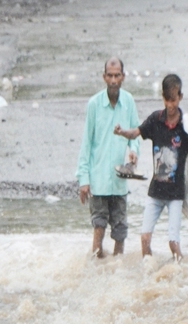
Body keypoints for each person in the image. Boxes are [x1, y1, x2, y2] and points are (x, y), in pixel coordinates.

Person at [114, 73, 188, 262]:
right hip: (156, 192)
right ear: (163, 98)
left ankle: (180, 272)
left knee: (173, 243)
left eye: (174, 100)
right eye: (167, 100)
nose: (171, 105)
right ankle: (149, 273)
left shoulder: (184, 126)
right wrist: (122, 133)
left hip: (176, 194)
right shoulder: (156, 120)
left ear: (180, 97)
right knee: (144, 239)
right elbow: (136, 132)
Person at [76, 57, 140, 258]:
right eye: (110, 76)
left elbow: (135, 134)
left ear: (123, 77)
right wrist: (84, 180)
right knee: (99, 226)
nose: (113, 80)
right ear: (104, 77)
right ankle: (95, 270)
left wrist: (133, 151)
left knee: (120, 230)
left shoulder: (128, 102)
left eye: (117, 75)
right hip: (99, 178)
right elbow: (86, 143)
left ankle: (116, 272)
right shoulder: (94, 104)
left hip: (119, 180)